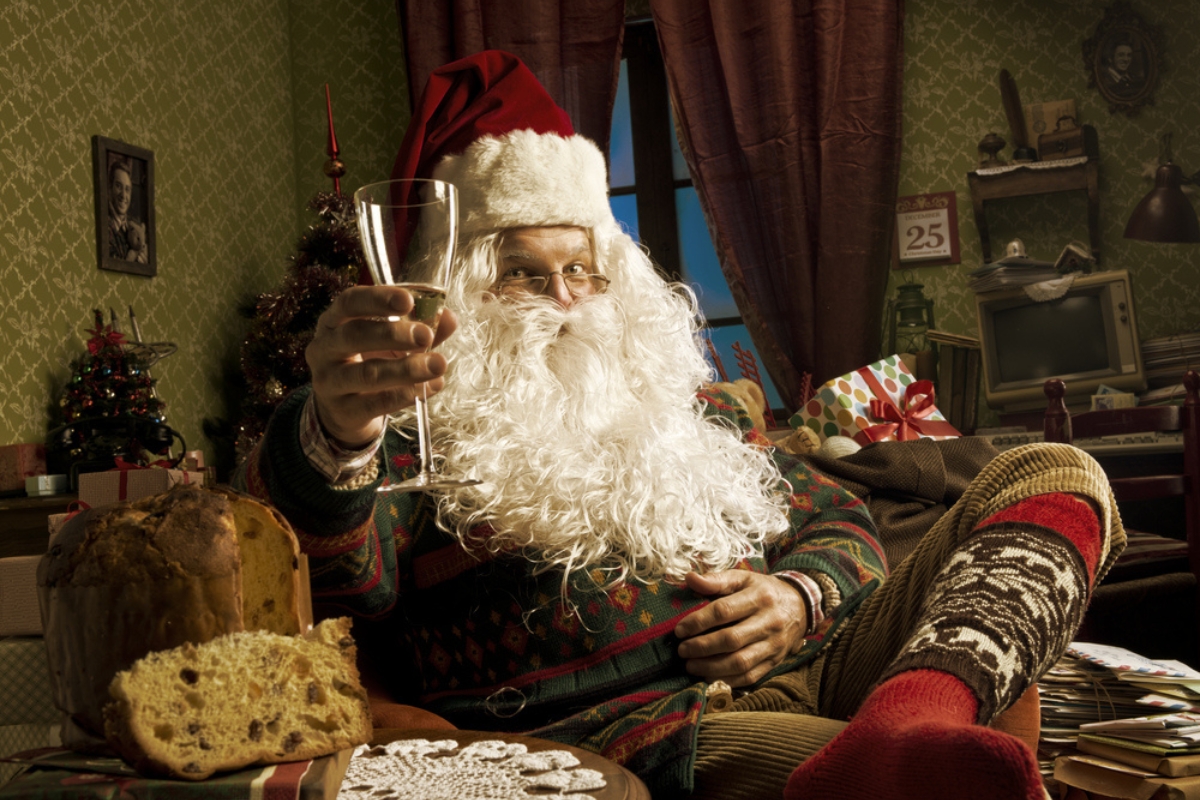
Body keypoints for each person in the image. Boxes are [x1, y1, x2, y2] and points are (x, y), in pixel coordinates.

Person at [238, 51, 1125, 800]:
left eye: (582, 270)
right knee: (934, 784)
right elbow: (344, 579)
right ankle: (906, 743)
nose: (564, 301)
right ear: (464, 292)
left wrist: (799, 596)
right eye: (523, 275)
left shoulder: (676, 410)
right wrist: (337, 429)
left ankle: (915, 714)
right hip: (656, 730)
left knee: (1057, 471)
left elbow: (838, 517)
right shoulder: (414, 434)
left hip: (821, 655)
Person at [107, 158, 147, 263]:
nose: (124, 195)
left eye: (127, 189)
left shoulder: (135, 225)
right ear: (110, 188)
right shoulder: (104, 225)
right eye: (118, 186)